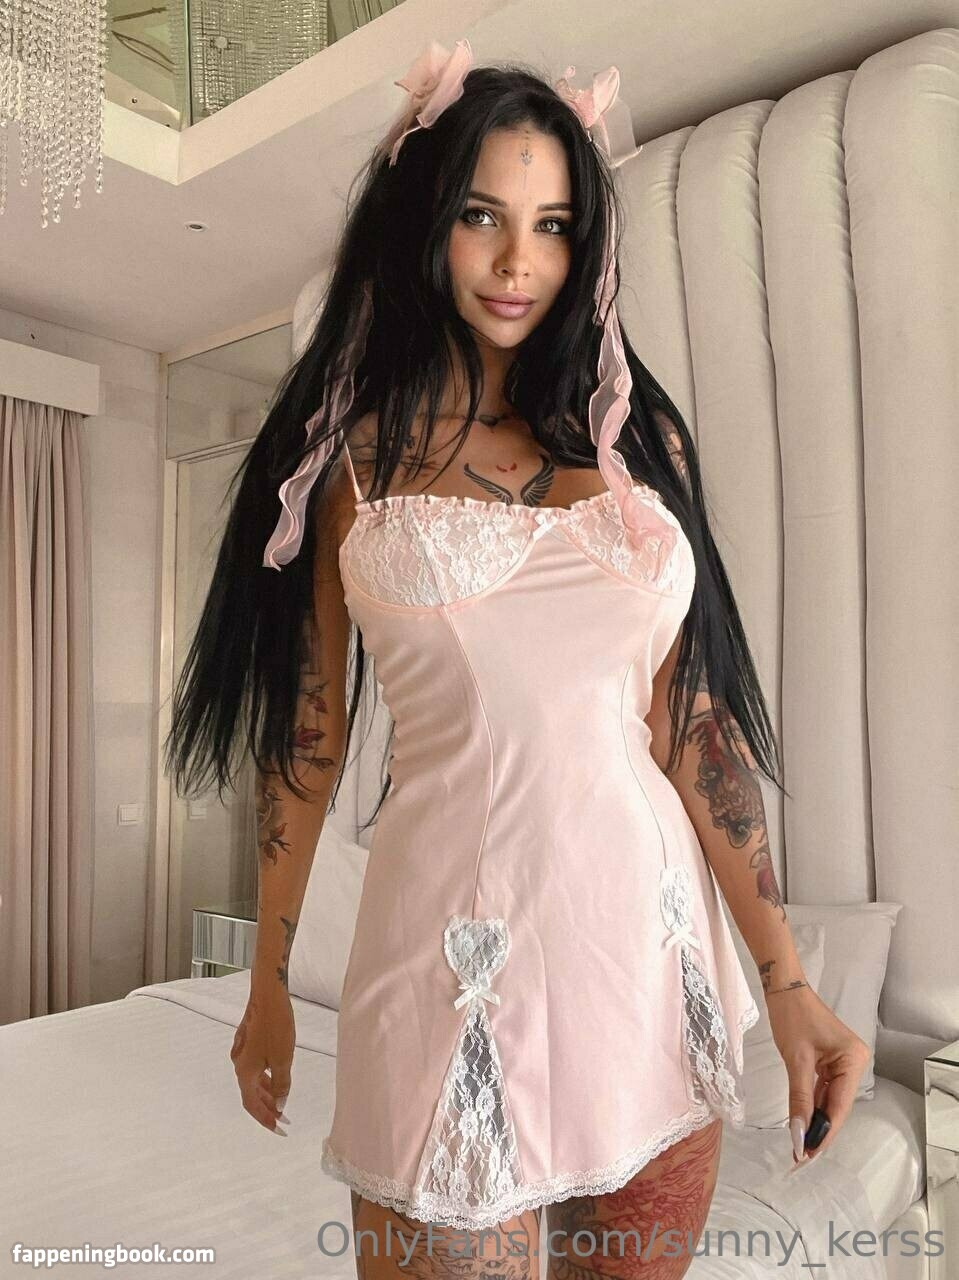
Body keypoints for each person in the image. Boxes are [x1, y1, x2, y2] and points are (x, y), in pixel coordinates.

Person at [164, 40, 870, 1278]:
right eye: (482, 215)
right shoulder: (349, 464)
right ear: (425, 219)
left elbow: (692, 723)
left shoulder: (638, 443)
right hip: (453, 967)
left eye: (550, 226)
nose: (515, 263)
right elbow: (307, 740)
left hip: (649, 958)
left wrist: (788, 980)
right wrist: (266, 978)